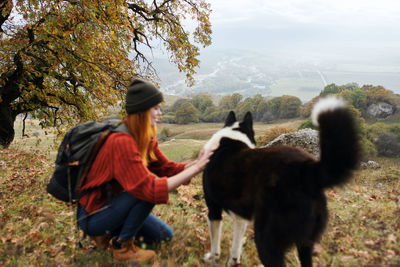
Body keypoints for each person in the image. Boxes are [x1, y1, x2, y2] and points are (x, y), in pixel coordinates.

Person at [76, 78, 214, 263]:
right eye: (156, 108)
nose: (160, 113)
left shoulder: (144, 137)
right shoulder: (121, 142)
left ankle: (108, 235)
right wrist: (197, 167)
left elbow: (168, 169)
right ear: (142, 110)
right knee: (145, 192)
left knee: (164, 235)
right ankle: (122, 246)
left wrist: (199, 162)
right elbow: (149, 189)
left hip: (113, 205)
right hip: (93, 215)